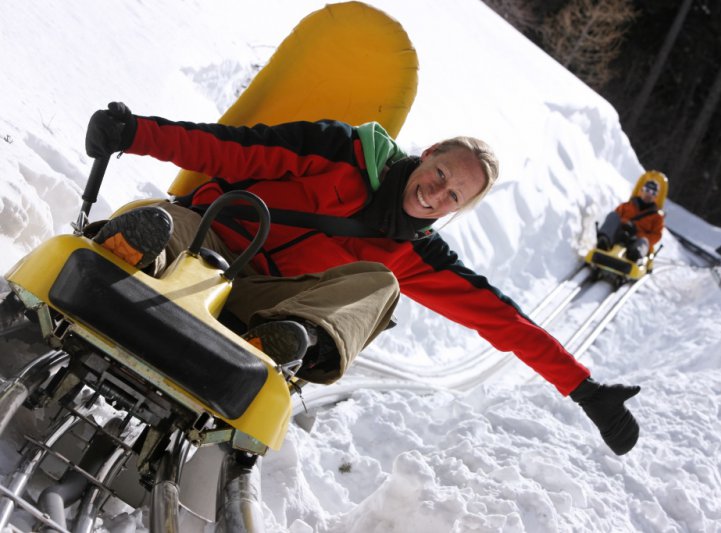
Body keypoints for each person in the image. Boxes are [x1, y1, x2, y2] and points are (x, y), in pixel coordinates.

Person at [85, 102, 641, 455]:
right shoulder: (339, 150)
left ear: (457, 209)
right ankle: (137, 251)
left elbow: (503, 322)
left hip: (261, 308)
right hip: (210, 241)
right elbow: (231, 147)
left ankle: (287, 343)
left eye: (453, 195)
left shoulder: (418, 255)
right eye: (440, 173)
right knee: (170, 226)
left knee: (382, 284)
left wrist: (584, 389)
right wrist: (134, 132)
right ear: (427, 154)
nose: (436, 192)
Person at [596, 177, 665, 261]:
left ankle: (634, 255)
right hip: (619, 234)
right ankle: (604, 241)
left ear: (656, 197)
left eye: (653, 193)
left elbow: (656, 235)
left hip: (636, 242)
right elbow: (615, 220)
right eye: (647, 190)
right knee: (613, 215)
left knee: (644, 242)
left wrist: (638, 233)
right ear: (641, 191)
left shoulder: (657, 217)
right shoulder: (626, 206)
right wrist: (625, 224)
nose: (649, 195)